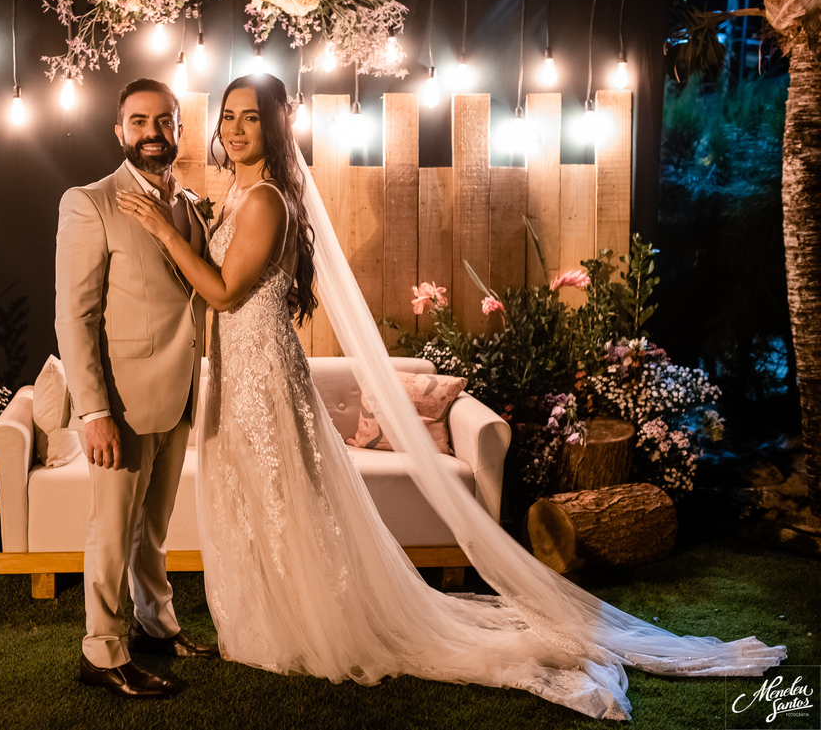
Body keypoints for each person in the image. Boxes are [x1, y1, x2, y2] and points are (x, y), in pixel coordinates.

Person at [116, 73, 786, 720]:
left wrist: (164, 229)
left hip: (262, 373)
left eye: (250, 117)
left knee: (282, 497)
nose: (234, 129)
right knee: (256, 500)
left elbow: (227, 291)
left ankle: (309, 625)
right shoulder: (236, 194)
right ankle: (271, 618)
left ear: (275, 126)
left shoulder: (266, 200)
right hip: (237, 369)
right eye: (228, 116)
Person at [54, 77, 218, 701]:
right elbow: (76, 317)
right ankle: (102, 651)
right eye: (139, 122)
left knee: (154, 524)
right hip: (120, 403)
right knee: (112, 528)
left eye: (165, 121)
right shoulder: (88, 203)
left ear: (179, 129)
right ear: (119, 131)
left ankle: (156, 626)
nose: (153, 133)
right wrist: (93, 410)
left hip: (178, 395)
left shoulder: (192, 203)